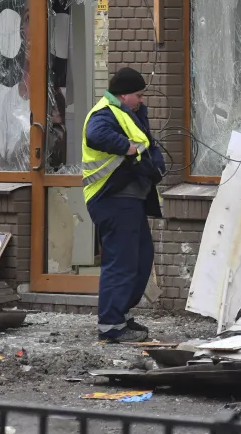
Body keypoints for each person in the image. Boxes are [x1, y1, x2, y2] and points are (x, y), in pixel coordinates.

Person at [81, 67, 166, 343]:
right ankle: (111, 325)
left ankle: (122, 314)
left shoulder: (130, 112)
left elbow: (146, 146)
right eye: (139, 96)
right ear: (125, 94)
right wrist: (126, 147)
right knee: (121, 262)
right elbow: (96, 136)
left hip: (130, 199)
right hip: (112, 198)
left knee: (141, 259)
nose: (141, 100)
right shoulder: (104, 113)